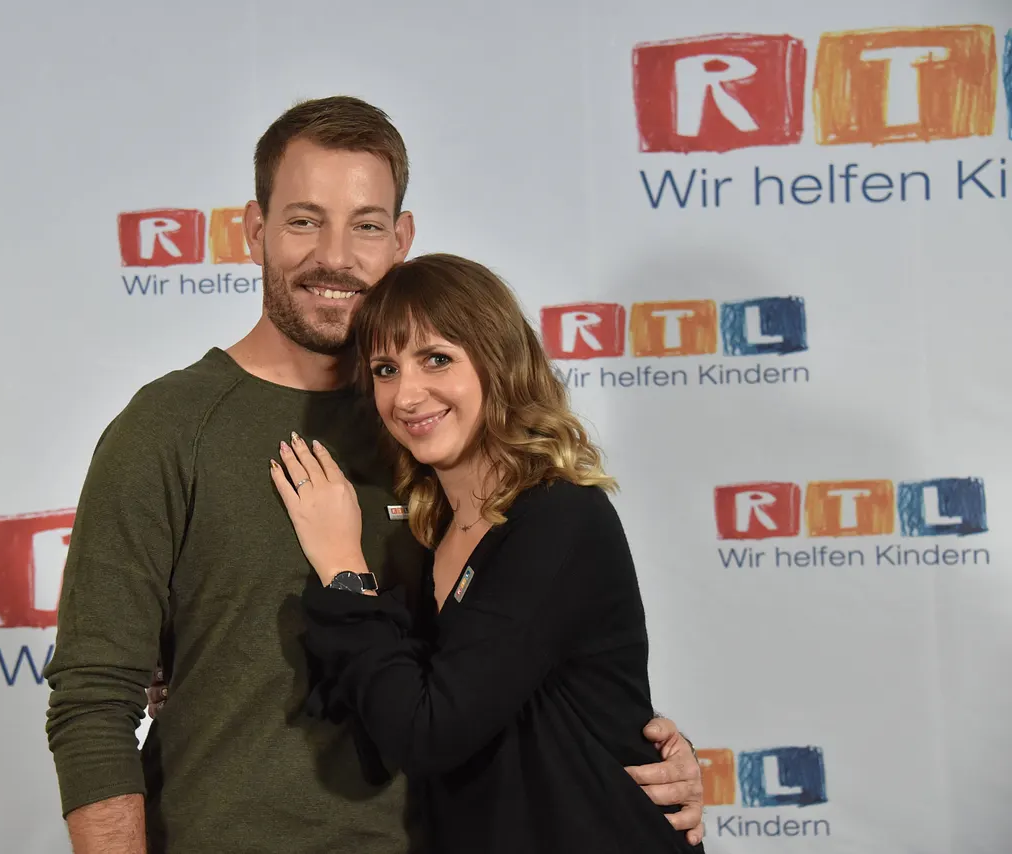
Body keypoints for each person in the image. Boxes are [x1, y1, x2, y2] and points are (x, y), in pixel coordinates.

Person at [44, 95, 705, 854]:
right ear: (255, 230)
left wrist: (638, 753)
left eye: (364, 225)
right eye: (303, 220)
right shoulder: (167, 429)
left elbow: (517, 657)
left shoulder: (433, 430)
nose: (335, 255)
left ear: (401, 238)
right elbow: (92, 699)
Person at [268, 253, 704, 853]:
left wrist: (342, 566)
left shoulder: (560, 517)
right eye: (386, 369)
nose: (407, 395)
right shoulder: (430, 531)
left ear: (497, 362)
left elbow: (427, 731)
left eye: (437, 359)